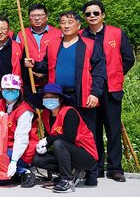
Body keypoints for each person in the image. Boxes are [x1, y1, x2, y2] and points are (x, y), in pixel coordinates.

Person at [24, 11, 106, 186]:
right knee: (61, 132)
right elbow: (46, 65)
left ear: (79, 25)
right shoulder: (54, 44)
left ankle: (92, 172)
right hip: (59, 96)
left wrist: (95, 93)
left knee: (87, 132)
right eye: (62, 22)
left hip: (83, 94)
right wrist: (35, 64)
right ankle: (67, 170)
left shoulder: (90, 45)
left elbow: (99, 72)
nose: (66, 25)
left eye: (70, 22)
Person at [80, 0, 135, 182]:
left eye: (96, 13)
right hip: (90, 89)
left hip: (111, 88)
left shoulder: (117, 33)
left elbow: (128, 59)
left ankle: (115, 168)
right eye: (88, 14)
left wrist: (118, 73)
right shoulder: (80, 35)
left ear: (103, 14)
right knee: (93, 129)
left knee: (113, 129)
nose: (92, 16)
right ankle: (95, 167)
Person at [31, 83, 99, 193]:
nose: (49, 99)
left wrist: (47, 140)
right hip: (65, 152)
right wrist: (44, 146)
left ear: (60, 99)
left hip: (85, 155)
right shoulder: (45, 114)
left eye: (52, 97)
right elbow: (51, 135)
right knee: (38, 159)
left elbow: (69, 137)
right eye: (46, 97)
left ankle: (67, 180)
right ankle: (72, 171)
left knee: (59, 143)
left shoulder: (69, 112)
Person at [0, 74, 39, 188]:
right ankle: (18, 172)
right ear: (1, 90)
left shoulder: (25, 111)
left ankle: (24, 170)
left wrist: (14, 161)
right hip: (5, 147)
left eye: (13, 90)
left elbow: (22, 138)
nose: (10, 92)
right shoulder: (1, 103)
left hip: (23, 150)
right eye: (7, 89)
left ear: (19, 91)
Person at [18, 4, 62, 88]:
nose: (37, 18)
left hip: (52, 80)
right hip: (29, 80)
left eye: (40, 15)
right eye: (33, 16)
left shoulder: (58, 34)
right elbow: (18, 57)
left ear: (47, 17)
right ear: (29, 18)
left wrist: (45, 73)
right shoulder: (22, 34)